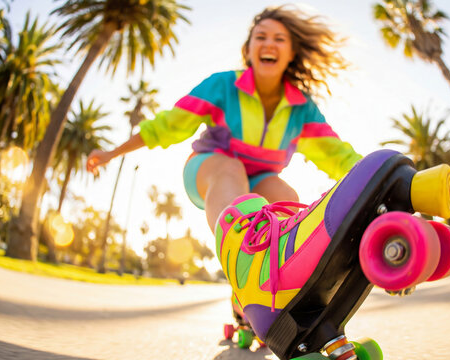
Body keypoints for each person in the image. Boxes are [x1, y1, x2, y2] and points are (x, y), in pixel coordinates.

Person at [87, 4, 363, 347]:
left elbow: (337, 155)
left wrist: (380, 176)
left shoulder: (301, 108)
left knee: (288, 200)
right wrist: (112, 152)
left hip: (259, 179)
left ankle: (269, 286)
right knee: (232, 170)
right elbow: (168, 126)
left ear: (291, 52)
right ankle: (246, 277)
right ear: (247, 49)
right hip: (210, 168)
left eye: (279, 38)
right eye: (260, 37)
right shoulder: (223, 86)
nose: (269, 43)